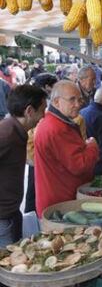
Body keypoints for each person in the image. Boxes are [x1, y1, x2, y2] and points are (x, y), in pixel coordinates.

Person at [34, 81, 99, 216]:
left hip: (60, 199)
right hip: (61, 204)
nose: (78, 104)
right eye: (72, 100)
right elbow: (80, 165)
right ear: (56, 102)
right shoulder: (57, 128)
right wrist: (92, 146)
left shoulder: (55, 122)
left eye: (79, 99)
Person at [0, 85, 47, 246]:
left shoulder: (16, 130)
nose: (44, 116)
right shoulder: (7, 134)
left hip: (11, 214)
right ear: (29, 111)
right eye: (42, 110)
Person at [24, 74, 59, 213]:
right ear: (47, 87)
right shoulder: (37, 106)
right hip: (36, 158)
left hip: (37, 157)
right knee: (34, 192)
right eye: (54, 86)